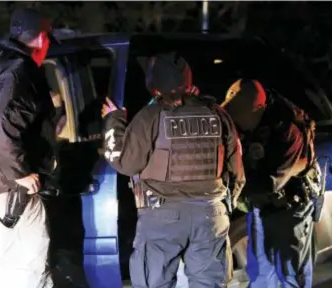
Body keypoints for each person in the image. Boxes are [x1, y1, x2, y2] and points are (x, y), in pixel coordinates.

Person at [101, 52, 245, 288]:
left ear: (153, 83)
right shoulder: (218, 113)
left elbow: (125, 163)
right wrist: (223, 205)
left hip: (163, 217)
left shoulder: (151, 115)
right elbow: (237, 172)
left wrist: (113, 120)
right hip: (211, 214)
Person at [0, 8, 60, 288]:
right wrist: (20, 173)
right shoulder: (20, 72)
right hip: (9, 193)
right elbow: (1, 128)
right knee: (30, 275)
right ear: (41, 39)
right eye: (49, 40)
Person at [221, 79, 320, 288]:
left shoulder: (287, 131)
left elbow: (270, 182)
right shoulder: (248, 125)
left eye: (239, 113)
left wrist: (232, 189)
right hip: (262, 205)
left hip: (290, 208)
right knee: (260, 274)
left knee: (290, 274)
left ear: (258, 108)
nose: (235, 120)